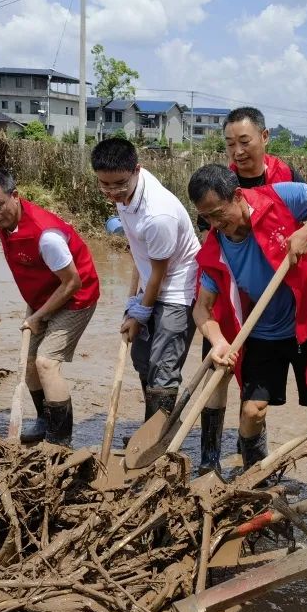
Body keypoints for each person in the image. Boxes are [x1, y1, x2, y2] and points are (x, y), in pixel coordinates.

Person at [189, 164, 307, 474]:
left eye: (219, 213)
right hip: (262, 335)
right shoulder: (216, 250)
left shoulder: (279, 197)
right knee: (252, 412)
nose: (216, 224)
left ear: (238, 195)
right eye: (207, 218)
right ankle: (254, 479)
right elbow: (202, 308)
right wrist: (218, 341)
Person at [195, 107, 307, 476]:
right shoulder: (218, 188)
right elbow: (213, 245)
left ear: (264, 138)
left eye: (244, 142)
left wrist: (306, 234)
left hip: (290, 294)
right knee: (220, 367)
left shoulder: (285, 183)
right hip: (238, 297)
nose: (237, 151)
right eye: (229, 144)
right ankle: (213, 460)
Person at [0, 167, 100, 445]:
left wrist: (40, 315)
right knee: (28, 364)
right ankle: (44, 420)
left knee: (46, 363)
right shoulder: (6, 224)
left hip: (76, 297)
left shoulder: (46, 236)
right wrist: (33, 308)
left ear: (14, 196)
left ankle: (59, 441)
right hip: (44, 298)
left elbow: (72, 283)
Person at [91, 137, 200, 422]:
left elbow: (159, 274)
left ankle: (156, 445)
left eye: (119, 184)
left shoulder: (158, 214)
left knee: (163, 368)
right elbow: (138, 253)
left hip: (177, 289)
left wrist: (140, 313)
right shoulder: (125, 192)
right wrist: (132, 302)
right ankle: (149, 429)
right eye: (105, 184)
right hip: (150, 283)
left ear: (137, 170)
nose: (112, 192)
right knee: (142, 360)